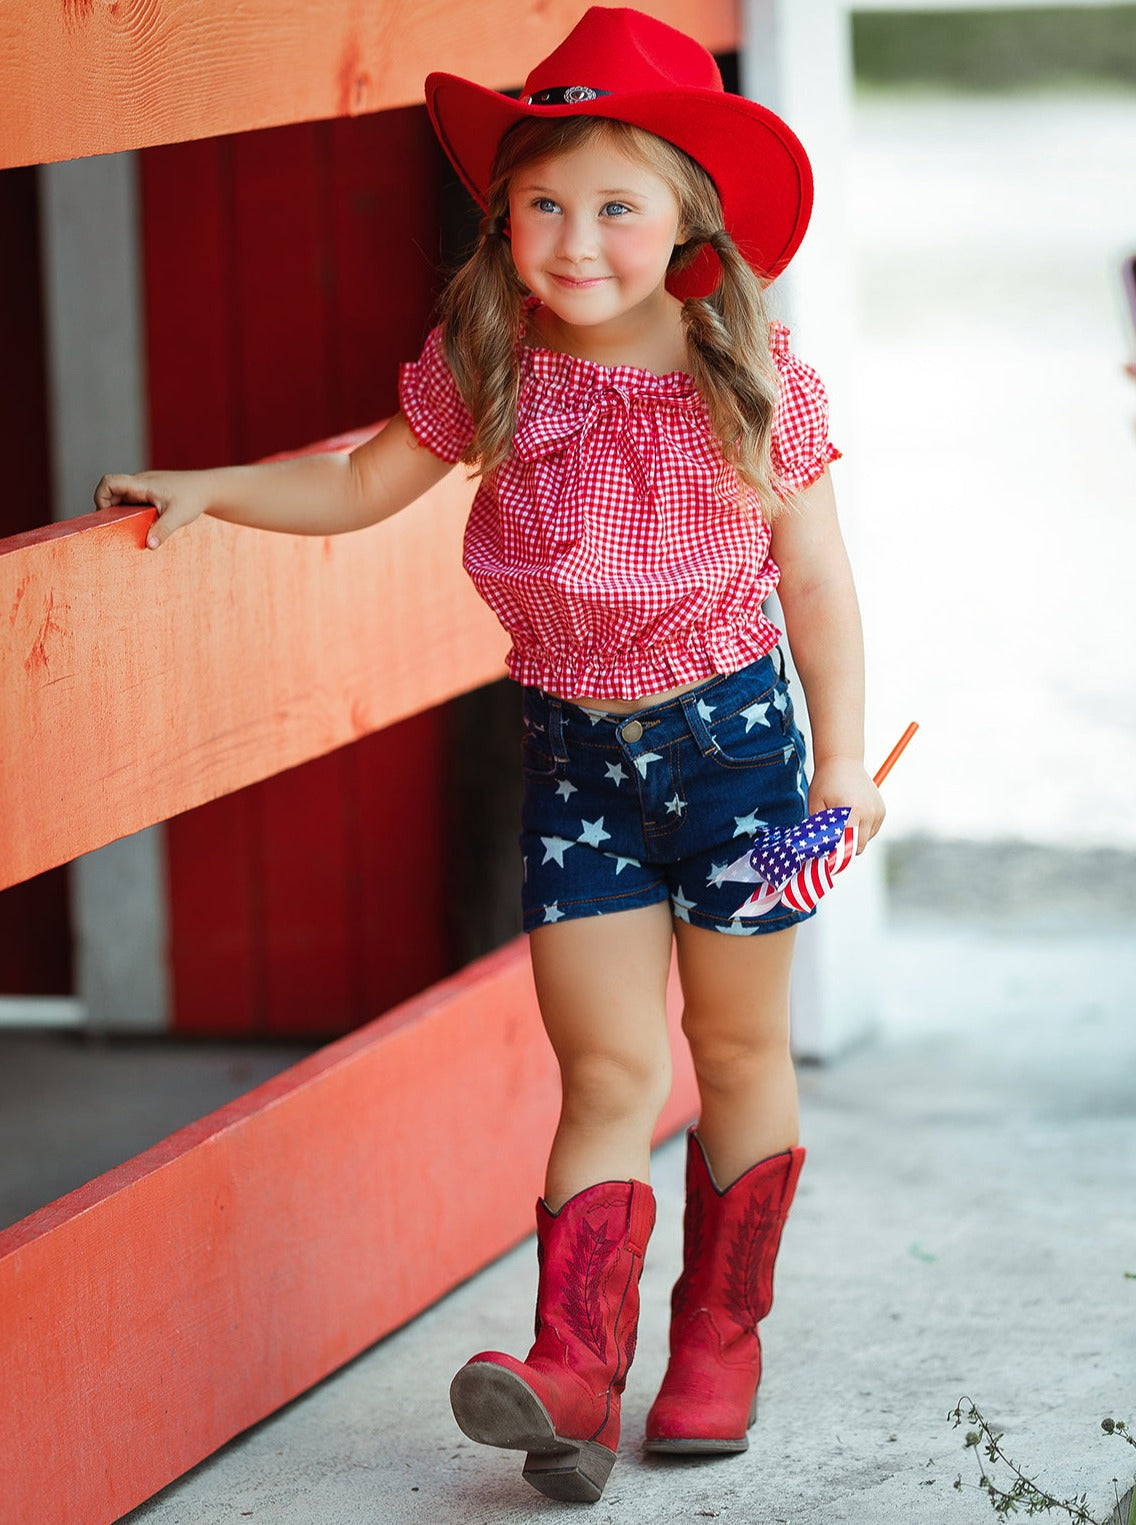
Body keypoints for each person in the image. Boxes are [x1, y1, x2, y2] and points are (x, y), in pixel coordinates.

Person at [95, 6, 884, 1505]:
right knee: (601, 1064)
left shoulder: (754, 380)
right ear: (503, 216)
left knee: (730, 1050)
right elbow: (356, 486)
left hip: (738, 760)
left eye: (615, 207)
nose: (573, 240)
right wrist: (212, 487)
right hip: (574, 757)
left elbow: (821, 585)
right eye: (542, 203)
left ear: (687, 220)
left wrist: (841, 765)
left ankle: (718, 1339)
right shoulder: (496, 361)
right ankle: (572, 1370)